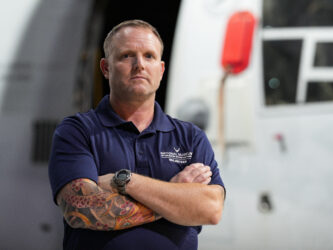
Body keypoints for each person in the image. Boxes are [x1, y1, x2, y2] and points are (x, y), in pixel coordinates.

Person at [48, 19, 225, 250]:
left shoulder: (190, 138)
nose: (139, 64)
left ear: (161, 70)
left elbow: (210, 209)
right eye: (126, 56)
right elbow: (81, 210)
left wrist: (124, 181)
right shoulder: (78, 131)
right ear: (105, 68)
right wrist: (176, 195)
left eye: (149, 56)